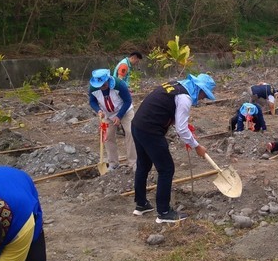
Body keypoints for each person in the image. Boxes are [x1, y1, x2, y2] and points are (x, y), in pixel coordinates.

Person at [131, 73, 216, 223]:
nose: (203, 99)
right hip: (151, 130)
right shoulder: (185, 98)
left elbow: (168, 111)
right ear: (199, 89)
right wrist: (196, 146)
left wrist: (187, 133)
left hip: (138, 125)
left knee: (143, 165)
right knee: (166, 169)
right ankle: (164, 212)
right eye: (204, 95)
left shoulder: (175, 85)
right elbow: (181, 130)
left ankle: (141, 204)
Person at [88, 68, 136, 170]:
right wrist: (98, 110)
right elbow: (92, 101)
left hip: (125, 111)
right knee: (107, 137)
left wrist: (119, 116)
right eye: (99, 86)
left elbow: (128, 101)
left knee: (130, 133)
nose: (101, 87)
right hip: (107, 114)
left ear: (108, 80)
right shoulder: (92, 87)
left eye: (104, 85)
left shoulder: (119, 85)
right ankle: (113, 163)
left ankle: (133, 162)